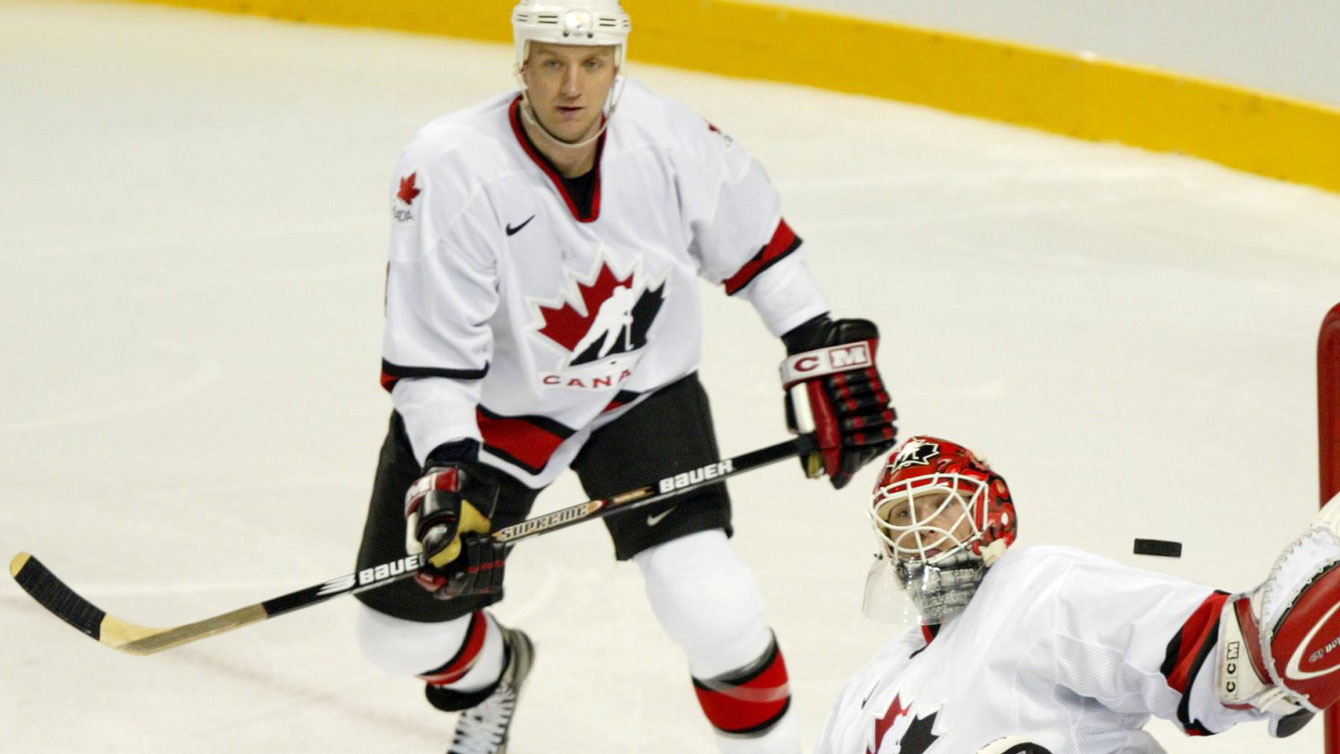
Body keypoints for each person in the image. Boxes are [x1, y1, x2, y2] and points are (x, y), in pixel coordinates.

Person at [352, 2, 898, 753]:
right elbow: (432, 355)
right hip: (490, 419)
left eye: (593, 64)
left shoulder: (670, 139)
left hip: (637, 394)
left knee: (713, 604)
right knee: (396, 641)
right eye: (551, 63)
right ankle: (496, 671)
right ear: (521, 65)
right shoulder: (451, 166)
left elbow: (759, 248)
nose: (573, 86)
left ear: (618, 65)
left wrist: (814, 336)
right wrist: (447, 465)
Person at [816, 435, 1340, 754]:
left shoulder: (1033, 589)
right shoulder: (867, 690)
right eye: (901, 518)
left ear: (988, 509)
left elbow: (1238, 663)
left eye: (938, 505)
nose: (919, 529)